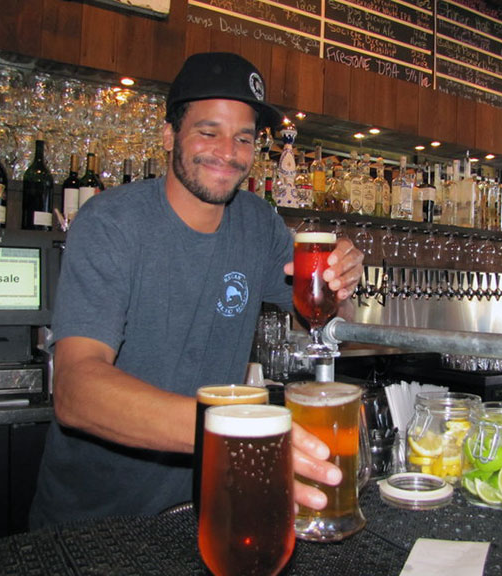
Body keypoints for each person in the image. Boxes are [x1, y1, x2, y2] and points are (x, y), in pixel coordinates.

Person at [29, 52, 364, 528]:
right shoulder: (110, 223)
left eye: (243, 137)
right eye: (209, 132)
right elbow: (75, 390)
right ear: (170, 135)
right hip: (96, 523)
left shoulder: (258, 223)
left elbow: (320, 322)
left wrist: (339, 281)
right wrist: (236, 433)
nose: (228, 152)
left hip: (206, 510)